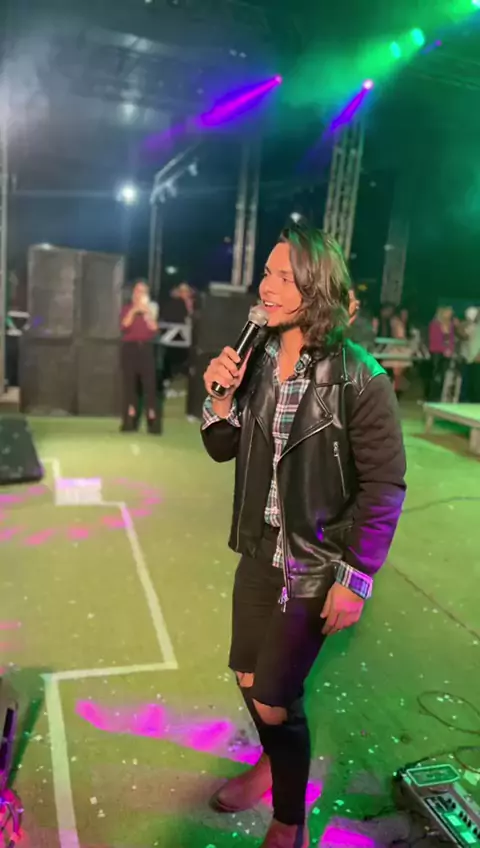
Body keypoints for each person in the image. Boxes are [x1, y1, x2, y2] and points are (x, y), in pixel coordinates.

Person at [200, 224, 407, 848]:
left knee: (274, 699)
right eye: (267, 272)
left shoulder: (360, 378)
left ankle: (290, 818)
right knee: (246, 677)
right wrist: (220, 402)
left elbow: (385, 485)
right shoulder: (259, 358)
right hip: (259, 549)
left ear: (315, 288)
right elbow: (222, 448)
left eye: (284, 277)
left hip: (316, 562)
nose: (267, 286)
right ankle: (272, 761)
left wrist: (356, 577)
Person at [119, 280, 159, 433]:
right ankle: (129, 421)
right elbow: (124, 326)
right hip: (130, 348)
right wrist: (134, 311)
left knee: (150, 385)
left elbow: (154, 329)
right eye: (137, 291)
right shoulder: (127, 308)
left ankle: (152, 422)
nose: (140, 294)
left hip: (146, 348)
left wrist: (147, 313)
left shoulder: (152, 309)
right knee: (130, 386)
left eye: (143, 291)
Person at [427, 306, 455, 402]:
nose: (450, 314)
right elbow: (434, 340)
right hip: (436, 353)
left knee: (444, 376)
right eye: (448, 312)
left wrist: (450, 349)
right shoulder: (434, 324)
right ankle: (432, 397)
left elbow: (451, 340)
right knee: (435, 375)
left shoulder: (451, 325)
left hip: (447, 354)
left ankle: (441, 397)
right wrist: (444, 350)